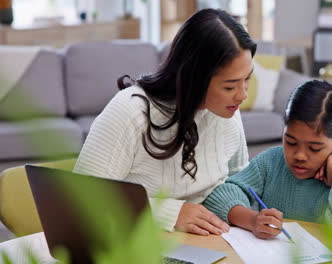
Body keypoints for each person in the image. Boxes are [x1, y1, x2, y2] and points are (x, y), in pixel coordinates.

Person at [73, 8, 256, 236]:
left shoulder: (227, 111)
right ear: (194, 78)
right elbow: (83, 202)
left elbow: (238, 179)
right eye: (230, 86)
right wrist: (169, 212)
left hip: (205, 243)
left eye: (247, 79)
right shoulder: (130, 112)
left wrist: (249, 214)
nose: (242, 95)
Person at [203, 80, 332, 245]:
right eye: (291, 142)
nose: (300, 156)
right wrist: (252, 219)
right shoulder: (272, 161)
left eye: (314, 148)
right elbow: (218, 196)